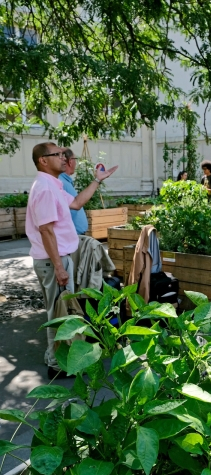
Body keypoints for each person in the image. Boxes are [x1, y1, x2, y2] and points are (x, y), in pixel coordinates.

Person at [26, 141, 118, 378]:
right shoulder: (45, 188)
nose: (64, 158)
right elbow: (46, 230)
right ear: (43, 160)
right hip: (52, 261)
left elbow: (76, 203)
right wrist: (59, 267)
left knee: (63, 310)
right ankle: (56, 365)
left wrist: (98, 180)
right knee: (58, 313)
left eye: (64, 154)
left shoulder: (53, 185)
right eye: (57, 154)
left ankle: (61, 361)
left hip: (59, 258)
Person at [58, 148, 88, 235]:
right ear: (70, 161)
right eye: (75, 160)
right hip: (71, 236)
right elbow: (76, 204)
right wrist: (97, 180)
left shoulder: (65, 181)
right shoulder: (60, 182)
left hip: (76, 235)